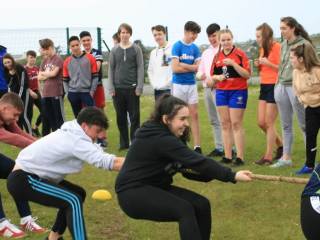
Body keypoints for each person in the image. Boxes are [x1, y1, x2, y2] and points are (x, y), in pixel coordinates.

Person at [115, 94, 252, 240]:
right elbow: (197, 161)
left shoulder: (171, 136)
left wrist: (211, 173)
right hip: (132, 193)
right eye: (182, 119)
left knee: (201, 204)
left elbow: (189, 168)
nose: (187, 123)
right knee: (184, 209)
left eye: (187, 118)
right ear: (166, 119)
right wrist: (232, 175)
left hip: (154, 186)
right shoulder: (160, 138)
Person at [7, 107, 125, 240]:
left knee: (78, 193)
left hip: (29, 176)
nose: (103, 135)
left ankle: (53, 238)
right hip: (24, 179)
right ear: (85, 126)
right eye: (98, 130)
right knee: (72, 200)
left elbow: (102, 156)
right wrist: (140, 164)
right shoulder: (75, 139)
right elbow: (107, 162)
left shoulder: (75, 132)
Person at [0, 92, 45, 238]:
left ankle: (26, 220)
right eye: (15, 114)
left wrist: (43, 144)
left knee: (17, 176)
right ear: (5, 108)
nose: (16, 119)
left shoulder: (6, 116)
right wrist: (38, 147)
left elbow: (19, 133)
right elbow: (11, 138)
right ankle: (1, 224)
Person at [271, 17, 312, 168]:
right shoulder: (283, 45)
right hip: (281, 87)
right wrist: (277, 86)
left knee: (304, 125)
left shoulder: (304, 44)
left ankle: (310, 160)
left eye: (284, 28)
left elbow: (310, 67)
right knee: (285, 125)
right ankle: (286, 158)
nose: (281, 31)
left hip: (296, 88)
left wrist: (302, 87)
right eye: (280, 28)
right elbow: (281, 66)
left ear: (293, 28)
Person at [210, 29, 251, 166]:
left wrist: (233, 64)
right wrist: (217, 77)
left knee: (236, 124)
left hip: (238, 91)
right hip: (221, 92)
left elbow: (247, 74)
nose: (226, 42)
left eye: (228, 39)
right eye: (223, 40)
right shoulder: (217, 57)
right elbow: (212, 76)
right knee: (225, 124)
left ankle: (240, 157)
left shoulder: (240, 54)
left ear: (232, 39)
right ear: (220, 41)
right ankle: (227, 156)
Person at [108, 23, 144, 150]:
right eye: (122, 32)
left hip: (132, 88)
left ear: (130, 34)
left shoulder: (136, 49)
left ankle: (135, 143)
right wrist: (111, 87)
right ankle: (123, 143)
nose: (124, 34)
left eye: (126, 32)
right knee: (120, 117)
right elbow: (111, 69)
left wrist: (139, 87)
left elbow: (140, 67)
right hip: (118, 89)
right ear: (119, 34)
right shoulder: (114, 50)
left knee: (134, 117)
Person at [254, 23, 283, 165]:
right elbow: (265, 68)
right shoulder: (262, 49)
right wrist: (259, 64)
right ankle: (281, 146)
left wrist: (268, 63)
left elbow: (283, 69)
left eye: (259, 36)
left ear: (266, 36)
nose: (257, 39)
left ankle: (268, 156)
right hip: (264, 86)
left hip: (274, 85)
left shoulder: (278, 47)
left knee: (269, 122)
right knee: (261, 122)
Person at [171, 21, 202, 153]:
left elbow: (198, 68)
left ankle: (197, 146)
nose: (195, 36)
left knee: (194, 115)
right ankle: (179, 143)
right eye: (193, 33)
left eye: (196, 34)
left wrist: (184, 65)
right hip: (178, 85)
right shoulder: (177, 46)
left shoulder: (195, 48)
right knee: (178, 115)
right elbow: (175, 68)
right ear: (186, 32)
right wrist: (191, 67)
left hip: (191, 85)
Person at [291, 43, 320, 174]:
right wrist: (304, 101)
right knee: (310, 136)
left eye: (292, 57)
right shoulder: (295, 73)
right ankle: (309, 166)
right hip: (310, 109)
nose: (291, 60)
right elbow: (297, 90)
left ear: (301, 59)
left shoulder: (317, 70)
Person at [197, 23, 223, 157]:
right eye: (209, 37)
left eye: (214, 36)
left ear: (219, 34)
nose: (212, 39)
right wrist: (200, 76)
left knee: (224, 120)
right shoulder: (206, 53)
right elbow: (199, 71)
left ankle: (232, 148)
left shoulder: (224, 50)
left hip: (220, 89)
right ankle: (219, 147)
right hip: (207, 90)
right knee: (213, 120)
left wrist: (214, 80)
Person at [63, 36, 98, 117]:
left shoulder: (90, 58)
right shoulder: (67, 61)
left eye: (77, 45)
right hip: (73, 93)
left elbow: (95, 77)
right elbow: (65, 80)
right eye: (72, 46)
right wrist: (68, 93)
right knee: (78, 117)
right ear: (69, 47)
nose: (75, 47)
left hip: (87, 92)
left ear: (80, 44)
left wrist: (92, 91)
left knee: (93, 115)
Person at [38, 38, 65, 136]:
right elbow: (39, 76)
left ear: (50, 48)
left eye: (45, 49)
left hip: (56, 92)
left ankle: (62, 136)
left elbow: (54, 74)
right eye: (42, 49)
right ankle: (55, 137)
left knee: (59, 117)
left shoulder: (58, 59)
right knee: (50, 117)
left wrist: (44, 74)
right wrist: (46, 74)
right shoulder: (45, 60)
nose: (43, 52)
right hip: (46, 93)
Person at [3, 54, 32, 134]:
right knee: (16, 116)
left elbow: (23, 85)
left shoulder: (19, 68)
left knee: (24, 116)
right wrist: (10, 97)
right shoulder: (5, 70)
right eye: (5, 63)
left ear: (12, 60)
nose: (7, 64)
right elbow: (9, 85)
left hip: (23, 94)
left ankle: (30, 135)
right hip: (14, 96)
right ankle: (20, 137)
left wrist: (18, 98)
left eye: (8, 62)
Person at [147, 25, 172, 100]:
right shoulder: (153, 52)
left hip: (170, 89)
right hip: (157, 90)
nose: (157, 37)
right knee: (159, 111)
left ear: (164, 34)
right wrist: (154, 84)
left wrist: (167, 84)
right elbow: (150, 70)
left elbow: (175, 69)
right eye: (155, 35)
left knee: (171, 111)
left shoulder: (173, 49)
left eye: (159, 34)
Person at [25, 50, 42, 137]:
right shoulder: (24, 69)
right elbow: (23, 84)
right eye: (31, 57)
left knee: (45, 111)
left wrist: (40, 92)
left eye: (34, 57)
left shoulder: (36, 68)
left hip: (37, 92)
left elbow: (38, 81)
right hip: (28, 93)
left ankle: (35, 128)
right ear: (27, 58)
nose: (33, 59)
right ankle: (29, 133)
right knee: (29, 114)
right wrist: (30, 92)